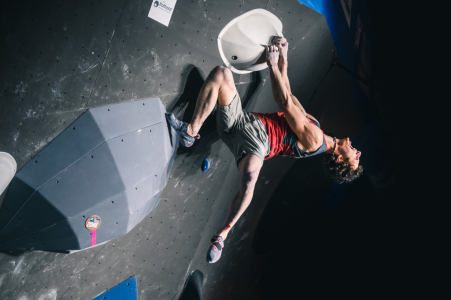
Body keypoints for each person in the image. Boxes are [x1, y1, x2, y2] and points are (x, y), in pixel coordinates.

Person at [166, 36, 363, 264]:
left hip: (257, 144)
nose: (358, 152)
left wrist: (272, 63)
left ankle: (222, 234)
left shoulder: (315, 140)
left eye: (355, 159)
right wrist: (284, 58)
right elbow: (289, 93)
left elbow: (284, 102)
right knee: (221, 73)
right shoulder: (317, 127)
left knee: (250, 174)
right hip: (239, 122)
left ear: (339, 161)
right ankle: (190, 133)